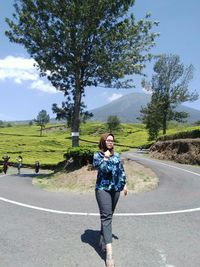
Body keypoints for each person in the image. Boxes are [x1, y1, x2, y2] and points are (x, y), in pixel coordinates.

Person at [93, 133, 128, 267]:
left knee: (109, 216)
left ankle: (102, 239)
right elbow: (102, 169)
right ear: (103, 141)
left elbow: (121, 170)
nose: (110, 142)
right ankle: (109, 254)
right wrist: (106, 158)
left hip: (116, 190)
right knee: (106, 217)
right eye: (108, 140)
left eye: (112, 140)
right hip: (102, 189)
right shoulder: (98, 155)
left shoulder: (117, 155)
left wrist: (125, 184)